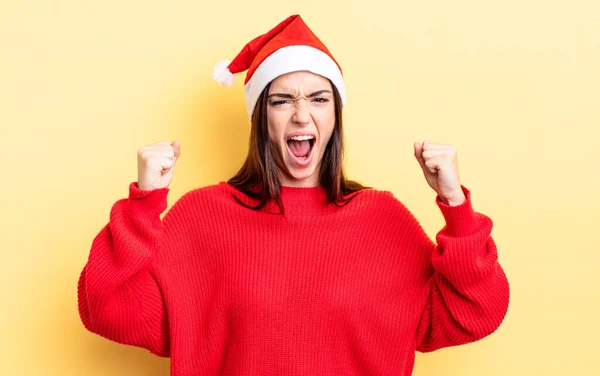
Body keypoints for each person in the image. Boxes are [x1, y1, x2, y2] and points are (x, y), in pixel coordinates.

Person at [77, 14, 510, 375]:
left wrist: (456, 206)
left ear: (334, 117)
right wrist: (144, 204)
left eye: (319, 99)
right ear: (260, 117)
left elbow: (478, 310)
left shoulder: (383, 220)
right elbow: (104, 306)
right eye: (282, 101)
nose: (302, 115)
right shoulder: (202, 217)